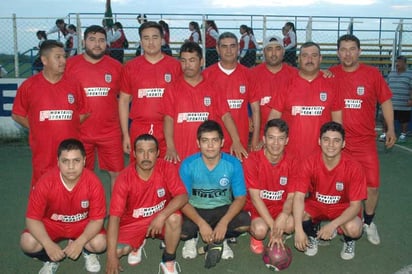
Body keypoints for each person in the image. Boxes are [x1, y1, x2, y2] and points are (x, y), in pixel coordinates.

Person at [329, 34, 396, 246]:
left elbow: (385, 101)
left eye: (352, 49)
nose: (347, 53)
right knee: (339, 187)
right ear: (338, 52)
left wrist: (391, 127)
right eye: (343, 49)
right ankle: (340, 222)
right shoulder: (330, 74)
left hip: (365, 143)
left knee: (372, 187)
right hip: (338, 145)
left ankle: (368, 221)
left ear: (359, 51)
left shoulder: (372, 74)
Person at [20, 138, 107, 273]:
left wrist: (80, 242)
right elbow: (32, 218)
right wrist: (48, 244)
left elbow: (97, 220)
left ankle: (88, 252)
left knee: (100, 243)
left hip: (82, 224)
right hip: (53, 224)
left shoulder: (94, 183)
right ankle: (50, 259)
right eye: (65, 161)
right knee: (27, 242)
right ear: (58, 162)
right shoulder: (45, 182)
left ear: (84, 161)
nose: (71, 167)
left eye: (76, 161)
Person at [106, 134, 188, 274]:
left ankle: (168, 260)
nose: (145, 156)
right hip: (133, 222)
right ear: (134, 154)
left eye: (150, 151)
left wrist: (161, 216)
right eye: (140, 151)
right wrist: (111, 256)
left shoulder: (166, 167)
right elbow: (114, 218)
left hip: (159, 219)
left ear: (157, 153)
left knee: (175, 219)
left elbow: (182, 196)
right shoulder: (124, 179)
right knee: (118, 250)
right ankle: (137, 243)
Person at [12, 40, 89, 186]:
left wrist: (66, 125)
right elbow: (17, 114)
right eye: (58, 57)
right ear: (44, 60)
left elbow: (84, 112)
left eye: (64, 57)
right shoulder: (29, 86)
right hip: (43, 152)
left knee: (71, 190)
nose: (63, 61)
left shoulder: (74, 83)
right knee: (43, 192)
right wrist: (37, 127)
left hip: (70, 151)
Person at [179, 120, 251, 268]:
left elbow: (240, 198)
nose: (210, 146)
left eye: (215, 140)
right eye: (205, 141)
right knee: (178, 230)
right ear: (198, 143)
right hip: (195, 210)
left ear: (222, 142)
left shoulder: (233, 163)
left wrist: (224, 223)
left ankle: (220, 238)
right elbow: (182, 200)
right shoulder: (188, 165)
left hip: (221, 208)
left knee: (246, 222)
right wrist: (201, 223)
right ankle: (192, 238)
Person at [293, 121, 367, 260]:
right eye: (326, 140)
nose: (331, 145)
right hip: (316, 205)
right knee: (297, 216)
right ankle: (312, 235)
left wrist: (332, 225)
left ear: (343, 143)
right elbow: (298, 197)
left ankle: (348, 241)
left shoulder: (354, 167)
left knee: (354, 229)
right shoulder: (309, 162)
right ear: (319, 141)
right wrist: (298, 230)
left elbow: (356, 205)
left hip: (342, 207)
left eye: (336, 141)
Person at [65, 25, 124, 191]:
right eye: (92, 40)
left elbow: (125, 97)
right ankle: (84, 213)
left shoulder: (116, 67)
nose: (97, 44)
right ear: (84, 42)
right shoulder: (70, 66)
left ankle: (115, 216)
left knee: (117, 174)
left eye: (101, 40)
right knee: (80, 174)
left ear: (107, 43)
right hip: (80, 132)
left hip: (110, 132)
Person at [163, 41, 239, 165]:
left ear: (201, 62)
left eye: (192, 60)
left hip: (208, 155)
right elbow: (168, 119)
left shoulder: (213, 87)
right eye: (183, 60)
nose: (187, 65)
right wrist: (170, 147)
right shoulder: (172, 88)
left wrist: (236, 141)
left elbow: (226, 115)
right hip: (181, 155)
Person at [267, 41, 342, 160]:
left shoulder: (332, 84)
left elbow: (338, 123)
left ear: (320, 58)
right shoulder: (286, 84)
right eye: (305, 55)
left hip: (322, 157)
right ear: (299, 59)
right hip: (291, 156)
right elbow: (274, 117)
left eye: (314, 55)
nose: (309, 59)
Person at [119, 21, 181, 162]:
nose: (151, 42)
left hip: (169, 129)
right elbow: (123, 101)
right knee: (140, 174)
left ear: (162, 39)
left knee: (170, 172)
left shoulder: (175, 66)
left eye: (155, 37)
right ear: (140, 41)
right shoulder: (131, 67)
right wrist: (125, 134)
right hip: (140, 127)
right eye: (146, 38)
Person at [203, 32, 260, 160]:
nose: (229, 50)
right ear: (217, 49)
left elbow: (255, 109)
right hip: (213, 141)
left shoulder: (248, 74)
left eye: (232, 46)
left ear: (238, 48)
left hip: (241, 141)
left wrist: (255, 138)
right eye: (224, 46)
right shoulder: (207, 75)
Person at [243, 119, 296, 254]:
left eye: (281, 139)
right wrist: (274, 228)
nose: (276, 144)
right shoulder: (252, 160)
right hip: (257, 208)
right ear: (264, 139)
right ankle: (255, 236)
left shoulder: (293, 161)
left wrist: (284, 214)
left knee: (291, 225)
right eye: (271, 138)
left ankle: (280, 232)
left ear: (287, 140)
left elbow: (291, 197)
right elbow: (255, 198)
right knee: (260, 231)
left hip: (280, 207)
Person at [251, 35, 298, 144]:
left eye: (277, 49)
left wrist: (323, 73)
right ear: (264, 52)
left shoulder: (295, 74)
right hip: (260, 135)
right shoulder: (252, 74)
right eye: (269, 49)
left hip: (288, 135)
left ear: (283, 52)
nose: (273, 53)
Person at [380, 55, 412, 142]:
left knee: (404, 120)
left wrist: (411, 99)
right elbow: (386, 86)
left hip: (404, 103)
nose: (398, 64)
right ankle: (384, 134)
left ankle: (403, 135)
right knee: (386, 118)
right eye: (397, 62)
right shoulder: (391, 73)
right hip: (391, 103)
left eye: (400, 62)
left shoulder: (410, 74)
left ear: (405, 63)